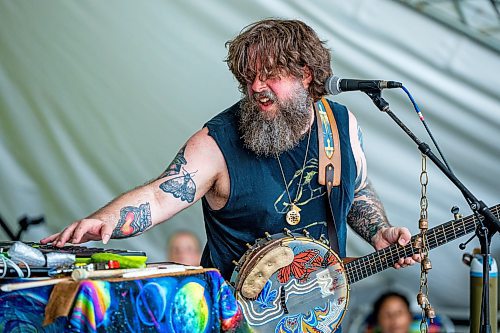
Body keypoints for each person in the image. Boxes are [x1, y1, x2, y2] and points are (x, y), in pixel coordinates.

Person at [41, 18, 420, 282]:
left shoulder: (340, 125)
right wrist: (104, 220)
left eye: (270, 74)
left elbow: (356, 187)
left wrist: (379, 232)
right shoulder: (216, 142)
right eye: (248, 77)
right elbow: (159, 196)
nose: (256, 87)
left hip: (319, 311)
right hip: (240, 319)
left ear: (306, 74)